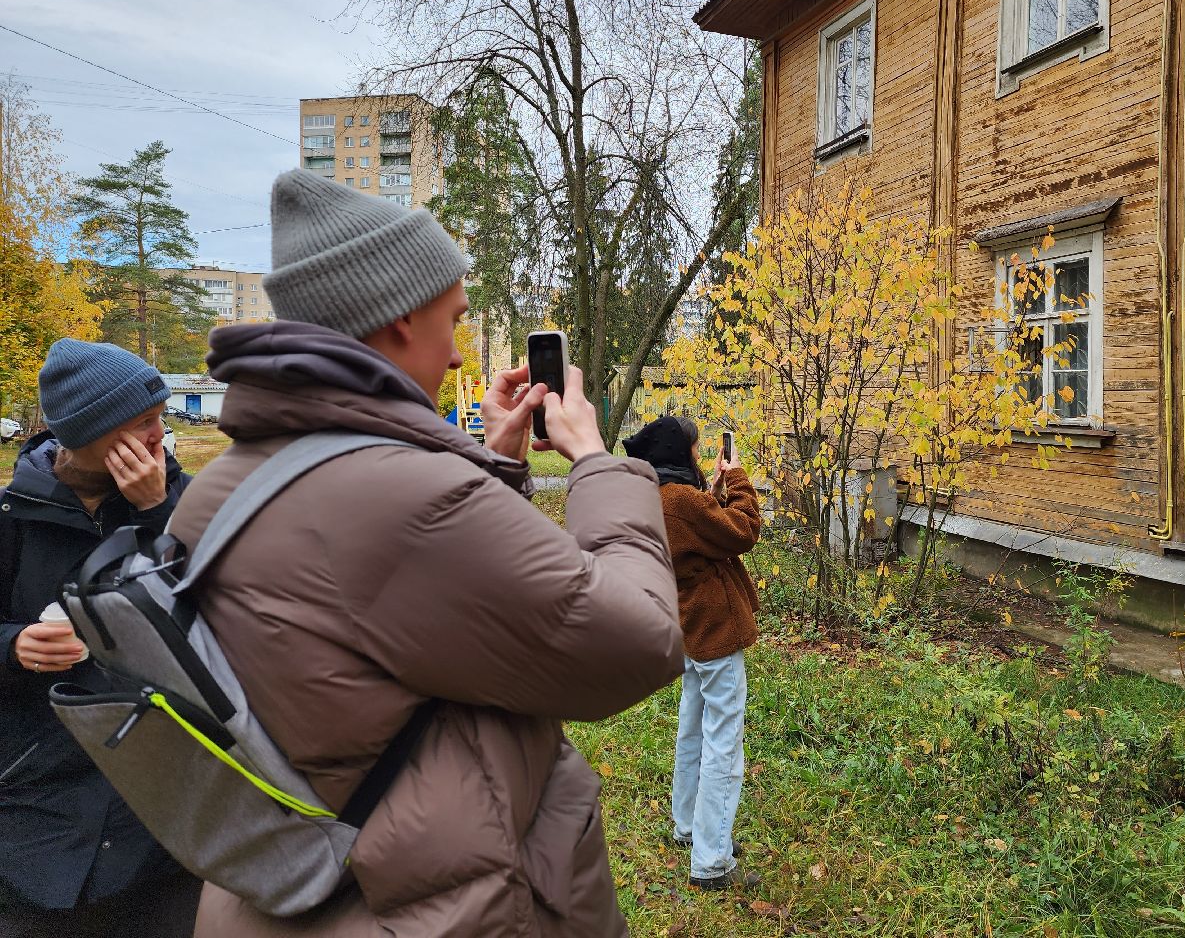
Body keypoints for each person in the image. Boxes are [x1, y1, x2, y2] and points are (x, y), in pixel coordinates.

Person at [166, 169, 684, 936]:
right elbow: (639, 638)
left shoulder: (226, 487)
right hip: (438, 908)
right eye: (455, 318)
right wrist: (595, 463)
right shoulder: (404, 500)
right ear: (401, 317)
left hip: (290, 895)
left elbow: (407, 627)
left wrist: (485, 465)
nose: (454, 358)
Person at [0, 339, 202, 937]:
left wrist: (157, 516)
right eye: (144, 422)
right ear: (91, 430)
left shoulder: (184, 501)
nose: (159, 437)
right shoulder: (12, 517)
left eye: (160, 419)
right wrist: (12, 645)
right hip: (41, 803)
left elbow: (215, 617)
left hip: (161, 800)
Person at [621, 416, 763, 891]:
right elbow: (741, 530)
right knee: (723, 741)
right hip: (714, 630)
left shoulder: (654, 499)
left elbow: (702, 531)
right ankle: (711, 859)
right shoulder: (680, 502)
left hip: (686, 627)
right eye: (696, 452)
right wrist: (738, 480)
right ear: (677, 455)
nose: (700, 458)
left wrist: (714, 488)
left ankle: (689, 826)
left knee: (693, 726)